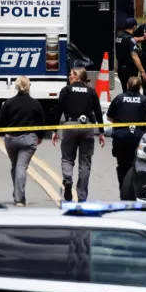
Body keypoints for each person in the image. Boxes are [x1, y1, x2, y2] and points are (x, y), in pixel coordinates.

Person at [52, 68, 105, 202]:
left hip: (70, 125)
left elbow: (58, 110)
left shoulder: (66, 90)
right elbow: (98, 112)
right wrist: (101, 132)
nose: (69, 78)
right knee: (85, 163)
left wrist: (54, 130)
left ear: (76, 76)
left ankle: (68, 179)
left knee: (67, 158)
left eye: (70, 75)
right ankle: (82, 196)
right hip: (86, 126)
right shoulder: (91, 92)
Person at [0, 76, 45, 207]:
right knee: (21, 166)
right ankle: (19, 199)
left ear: (16, 86)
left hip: (11, 139)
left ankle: (18, 195)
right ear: (29, 86)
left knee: (15, 166)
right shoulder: (35, 104)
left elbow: (0, 121)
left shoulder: (9, 103)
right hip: (28, 139)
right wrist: (39, 136)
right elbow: (42, 122)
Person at [106, 75, 146, 195]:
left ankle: (123, 189)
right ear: (140, 87)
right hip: (139, 137)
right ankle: (137, 191)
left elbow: (109, 117)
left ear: (127, 86)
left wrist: (119, 124)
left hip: (121, 136)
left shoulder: (119, 98)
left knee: (122, 165)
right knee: (139, 165)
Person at [115, 17, 146, 91]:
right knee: (132, 91)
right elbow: (134, 56)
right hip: (129, 69)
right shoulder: (130, 40)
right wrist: (142, 71)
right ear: (134, 26)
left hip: (120, 68)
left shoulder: (119, 37)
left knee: (125, 90)